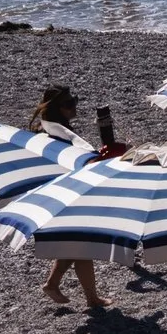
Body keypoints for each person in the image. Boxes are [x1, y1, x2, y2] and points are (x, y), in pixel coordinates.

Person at [27, 86, 105, 309]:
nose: (74, 107)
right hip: (66, 195)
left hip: (62, 195)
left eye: (74, 102)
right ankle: (74, 292)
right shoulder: (56, 135)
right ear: (58, 109)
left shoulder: (53, 131)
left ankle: (81, 294)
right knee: (79, 245)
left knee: (77, 245)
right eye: (70, 104)